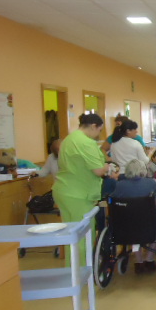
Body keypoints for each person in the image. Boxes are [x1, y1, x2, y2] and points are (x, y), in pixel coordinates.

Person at [52, 113, 109, 266]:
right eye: (99, 130)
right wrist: (106, 167)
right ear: (93, 126)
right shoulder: (86, 142)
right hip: (79, 194)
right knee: (83, 235)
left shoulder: (69, 139)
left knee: (70, 234)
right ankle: (83, 273)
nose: (98, 135)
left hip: (64, 190)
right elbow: (98, 170)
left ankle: (72, 270)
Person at [110, 159, 156, 274]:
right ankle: (149, 259)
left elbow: (111, 199)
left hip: (125, 226)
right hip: (148, 225)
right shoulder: (150, 183)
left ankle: (139, 261)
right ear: (143, 170)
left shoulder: (119, 185)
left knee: (133, 223)